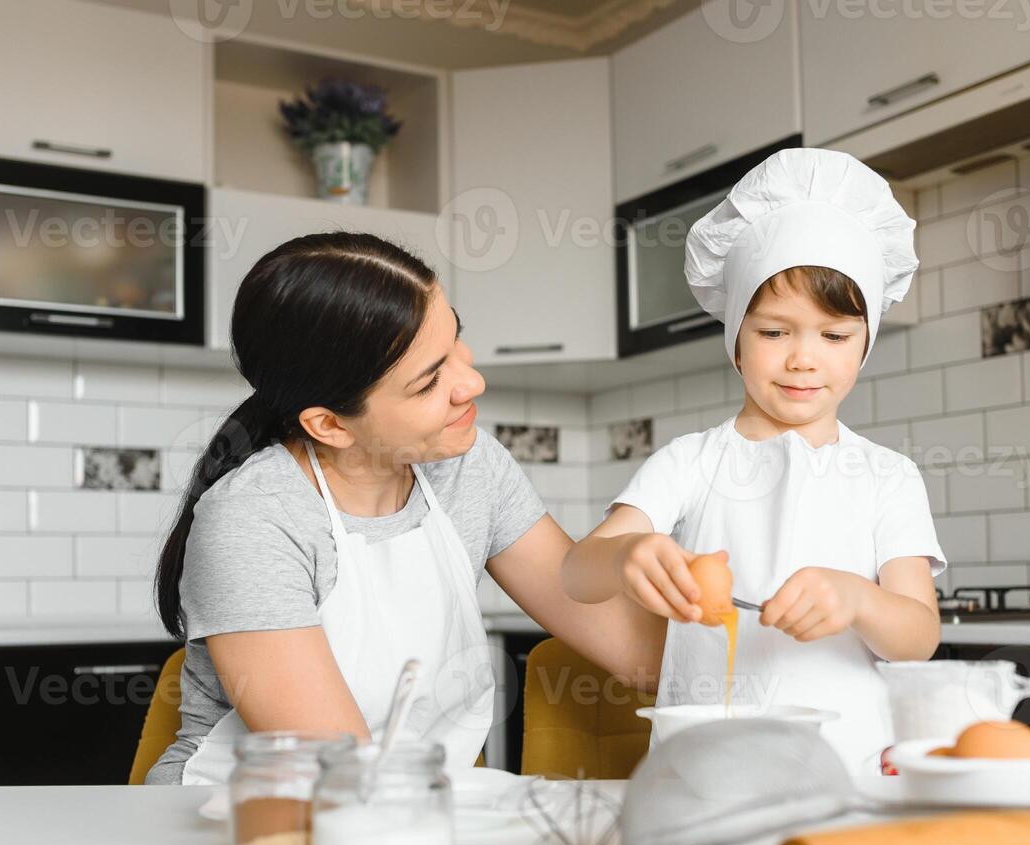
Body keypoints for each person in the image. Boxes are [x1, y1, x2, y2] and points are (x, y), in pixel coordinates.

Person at [146, 232, 658, 785]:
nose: (472, 382)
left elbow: (633, 649)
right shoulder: (255, 518)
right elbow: (345, 774)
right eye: (429, 381)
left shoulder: (468, 466)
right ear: (331, 425)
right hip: (242, 820)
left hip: (405, 809)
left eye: (457, 341)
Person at [562, 149, 947, 780]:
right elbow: (577, 576)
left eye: (834, 336)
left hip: (845, 773)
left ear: (865, 344)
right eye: (774, 332)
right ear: (735, 337)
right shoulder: (690, 462)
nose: (803, 359)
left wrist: (858, 600)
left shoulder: (889, 476)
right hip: (704, 772)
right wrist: (626, 556)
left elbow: (918, 637)